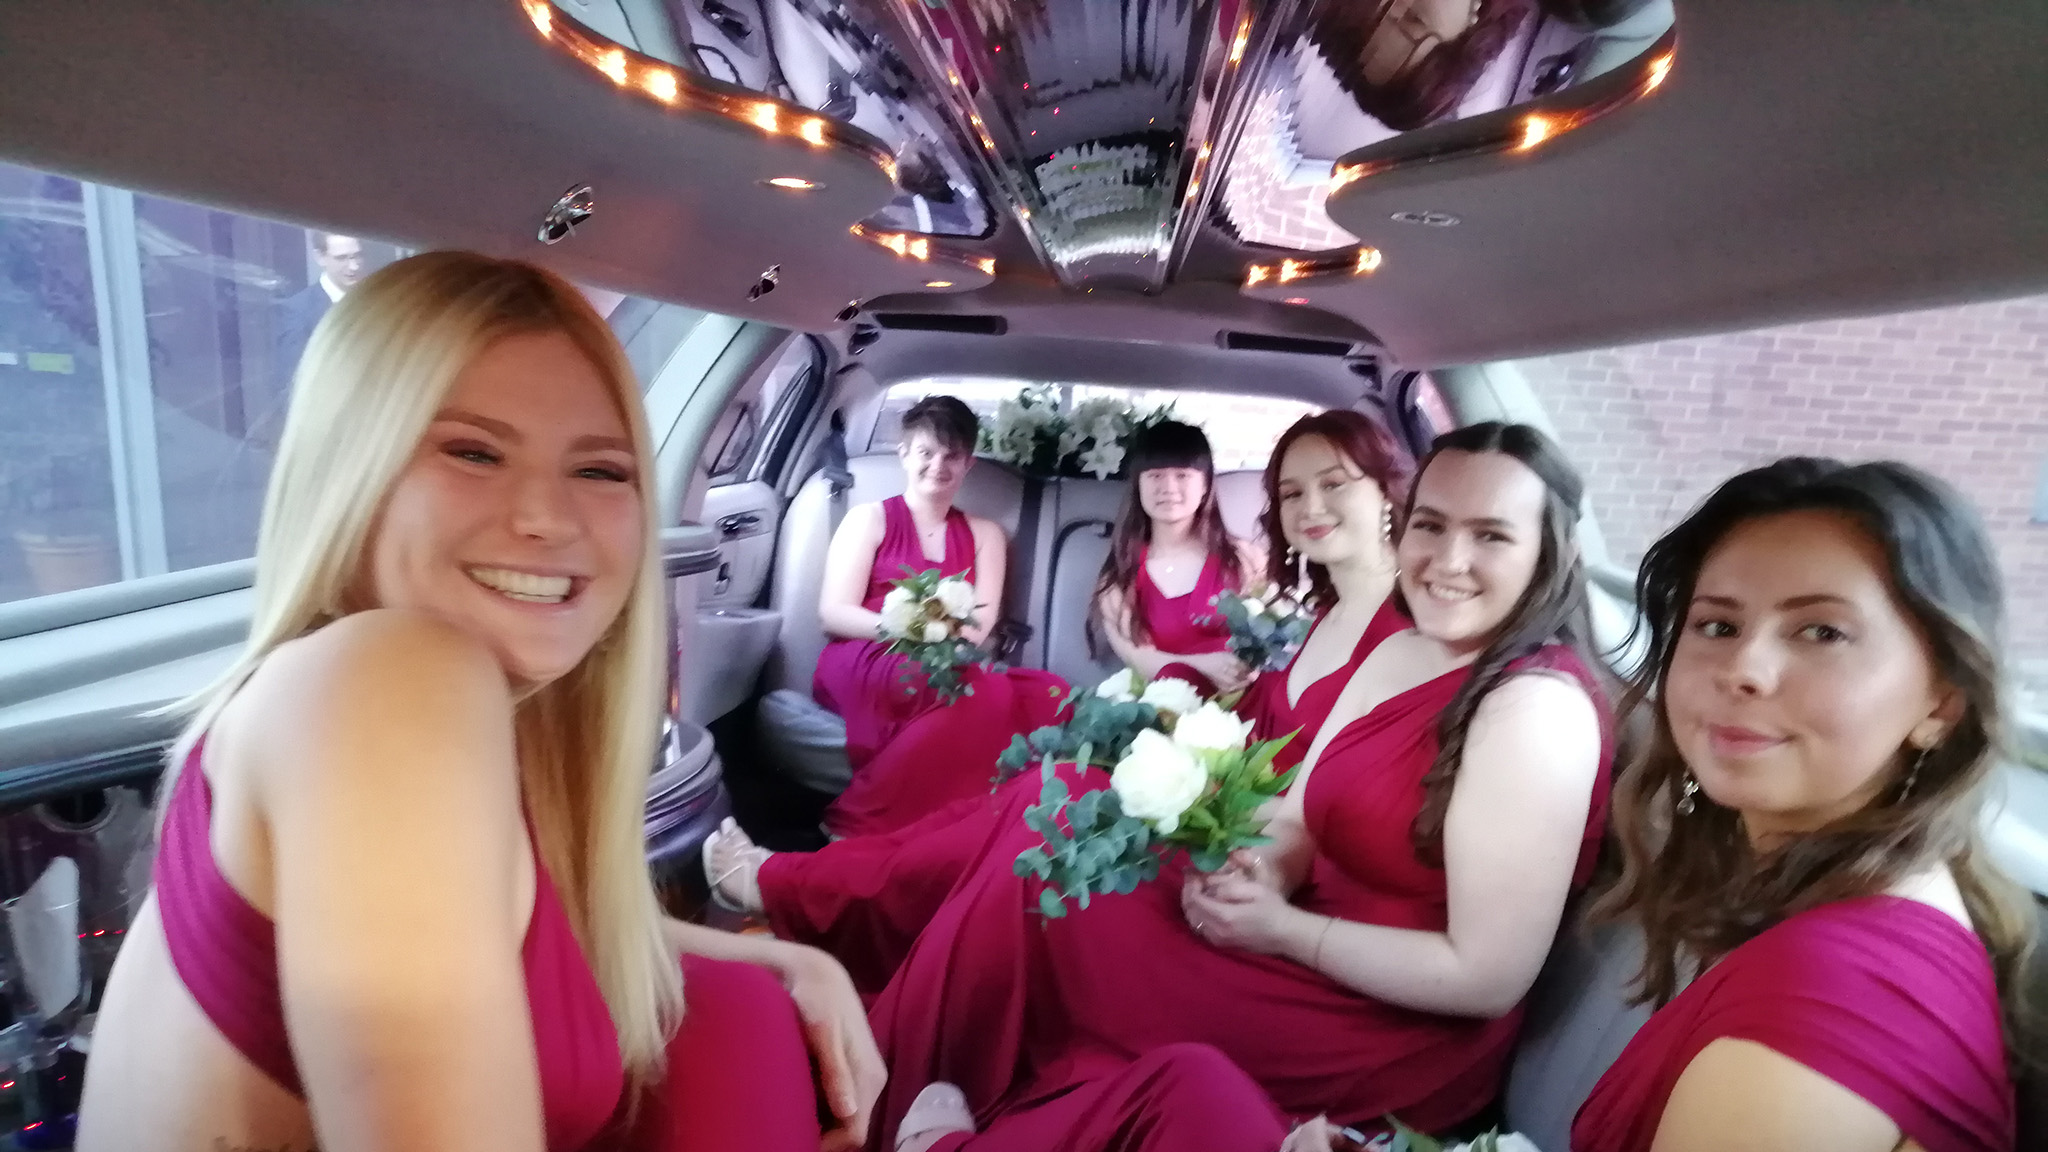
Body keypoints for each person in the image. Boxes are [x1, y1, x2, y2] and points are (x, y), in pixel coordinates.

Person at [77, 252, 883, 1152]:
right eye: (471, 451)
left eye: (602, 471)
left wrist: (779, 955)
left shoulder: (478, 727)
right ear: (353, 475)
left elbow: (548, 931)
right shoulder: (391, 680)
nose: (546, 516)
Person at [865, 421, 1615, 1150]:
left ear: (1555, 550)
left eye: (1491, 535)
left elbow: (1484, 978)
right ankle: (891, 1075)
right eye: (1431, 525)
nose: (1449, 559)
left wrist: (1286, 929)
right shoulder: (1406, 651)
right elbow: (1297, 815)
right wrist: (1256, 872)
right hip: (1297, 935)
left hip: (1392, 1028)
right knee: (1049, 843)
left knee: (1049, 905)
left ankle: (883, 1095)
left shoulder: (1534, 710)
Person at [705, 410, 1415, 997]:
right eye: (1292, 493)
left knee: (1038, 806)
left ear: (1389, 491)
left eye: (1334, 485)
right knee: (1031, 792)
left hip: (1235, 803)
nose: (1310, 508)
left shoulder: (1381, 630)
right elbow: (1162, 671)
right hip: (1196, 757)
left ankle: (802, 889)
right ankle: (804, 882)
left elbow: (1320, 789)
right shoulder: (1317, 612)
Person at [1563, 458, 2031, 1152]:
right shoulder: (1853, 899)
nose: (1743, 669)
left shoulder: (1819, 1015)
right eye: (1717, 625)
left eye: (1821, 632)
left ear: (1941, 704)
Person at [808, 395, 1067, 839]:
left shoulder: (986, 535)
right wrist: (909, 627)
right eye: (927, 452)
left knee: (1049, 693)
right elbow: (833, 613)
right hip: (867, 651)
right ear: (905, 453)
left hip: (951, 658)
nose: (939, 466)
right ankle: (864, 823)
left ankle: (946, 833)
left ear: (968, 463)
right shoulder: (868, 519)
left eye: (953, 456)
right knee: (957, 689)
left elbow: (980, 631)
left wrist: (937, 639)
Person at [1090, 419, 1264, 698]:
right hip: (1167, 711)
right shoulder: (1120, 576)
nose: (1168, 487)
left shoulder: (1245, 560)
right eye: (1155, 476)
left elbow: (1276, 638)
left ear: (1206, 485)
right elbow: (1140, 660)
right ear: (1138, 486)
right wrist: (1204, 666)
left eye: (1182, 475)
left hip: (1254, 702)